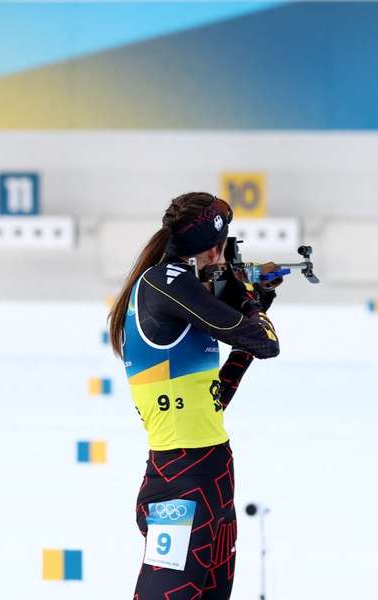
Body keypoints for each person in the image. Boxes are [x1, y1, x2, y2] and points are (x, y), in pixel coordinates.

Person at [107, 192, 280, 599]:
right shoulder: (164, 284)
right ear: (213, 251)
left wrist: (253, 310)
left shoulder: (181, 294)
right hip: (182, 483)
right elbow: (267, 342)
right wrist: (249, 306)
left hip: (214, 477)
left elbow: (212, 400)